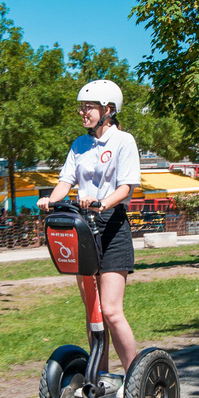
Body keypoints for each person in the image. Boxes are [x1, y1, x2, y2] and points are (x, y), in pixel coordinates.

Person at [37, 79, 141, 375]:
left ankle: (135, 376)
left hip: (112, 226)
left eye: (89, 107)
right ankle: (101, 377)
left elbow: (126, 187)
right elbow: (65, 182)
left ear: (108, 109)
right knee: (93, 309)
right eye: (81, 107)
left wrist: (102, 203)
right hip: (83, 226)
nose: (83, 112)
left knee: (111, 310)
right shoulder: (79, 144)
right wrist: (50, 200)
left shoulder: (124, 141)